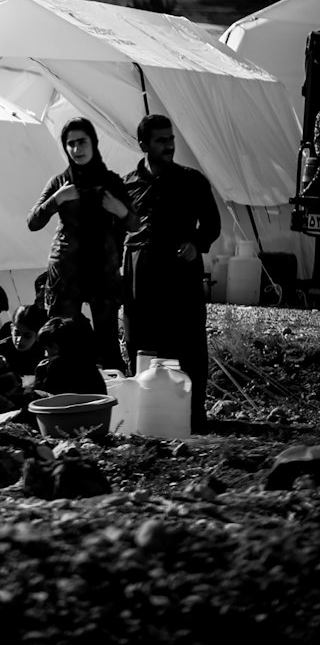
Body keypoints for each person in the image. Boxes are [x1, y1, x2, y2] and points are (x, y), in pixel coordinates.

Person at [122, 113, 221, 432]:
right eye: (161, 140)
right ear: (143, 145)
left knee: (188, 341)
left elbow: (212, 225)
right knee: (144, 342)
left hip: (181, 274)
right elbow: (116, 232)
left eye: (171, 138)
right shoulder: (128, 186)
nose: (169, 145)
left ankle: (192, 416)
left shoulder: (193, 181)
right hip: (142, 276)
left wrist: (196, 242)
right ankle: (149, 416)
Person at [26, 117, 137, 371]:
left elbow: (136, 224)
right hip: (67, 271)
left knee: (108, 342)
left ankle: (112, 400)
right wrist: (57, 199)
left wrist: (119, 210)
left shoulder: (111, 182)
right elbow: (32, 222)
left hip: (101, 271)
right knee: (62, 340)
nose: (77, 149)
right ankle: (64, 397)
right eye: (71, 144)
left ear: (93, 143)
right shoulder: (60, 182)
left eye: (82, 142)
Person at [32, 315, 107, 397]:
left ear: (55, 347)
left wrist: (40, 375)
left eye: (46, 350)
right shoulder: (88, 365)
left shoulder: (57, 367)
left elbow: (42, 402)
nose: (46, 355)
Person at [0, 302, 47, 380]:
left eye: (27, 336)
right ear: (11, 329)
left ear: (37, 335)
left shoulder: (45, 354)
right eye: (16, 333)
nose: (19, 340)